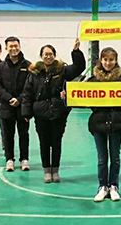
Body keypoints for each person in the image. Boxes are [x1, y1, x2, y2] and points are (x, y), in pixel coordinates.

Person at [22, 39, 85, 183]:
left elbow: (79, 67)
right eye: (45, 54)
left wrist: (76, 52)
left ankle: (55, 171)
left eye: (50, 54)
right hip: (40, 114)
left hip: (59, 113)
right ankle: (46, 171)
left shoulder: (63, 70)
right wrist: (26, 112)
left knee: (56, 143)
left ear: (54, 55)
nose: (48, 57)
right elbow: (27, 93)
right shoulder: (34, 73)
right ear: (41, 56)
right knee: (44, 143)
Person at [88, 47, 121, 202]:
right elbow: (80, 99)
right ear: (101, 60)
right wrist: (67, 96)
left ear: (116, 61)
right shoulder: (92, 81)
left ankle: (113, 186)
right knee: (102, 158)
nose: (108, 62)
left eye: (111, 59)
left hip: (117, 123)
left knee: (115, 157)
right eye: (105, 59)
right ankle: (102, 186)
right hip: (97, 124)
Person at [0, 36, 32, 172]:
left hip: (23, 107)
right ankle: (9, 159)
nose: (14, 48)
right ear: (6, 48)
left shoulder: (28, 66)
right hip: (6, 106)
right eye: (11, 46)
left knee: (24, 134)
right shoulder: (1, 67)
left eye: (16, 46)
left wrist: (20, 99)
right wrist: (9, 98)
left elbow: (30, 86)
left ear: (19, 47)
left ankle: (24, 159)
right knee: (7, 135)